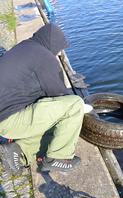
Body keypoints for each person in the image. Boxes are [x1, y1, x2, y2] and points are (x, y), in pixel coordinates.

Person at [0, 23, 85, 174]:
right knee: (75, 106)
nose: (59, 53)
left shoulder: (25, 47)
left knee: (57, 128)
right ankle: (58, 158)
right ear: (54, 43)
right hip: (9, 120)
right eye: (60, 48)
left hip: (5, 116)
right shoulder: (45, 58)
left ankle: (18, 151)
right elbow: (61, 96)